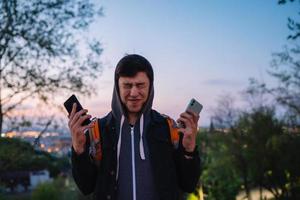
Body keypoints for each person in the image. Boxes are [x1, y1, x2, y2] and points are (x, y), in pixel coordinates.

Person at [68, 54, 201, 200]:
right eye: (127, 85)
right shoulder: (98, 130)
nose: (134, 93)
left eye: (140, 85)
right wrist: (79, 150)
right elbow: (86, 187)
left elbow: (188, 184)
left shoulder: (168, 128)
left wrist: (189, 150)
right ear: (117, 88)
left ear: (150, 86)